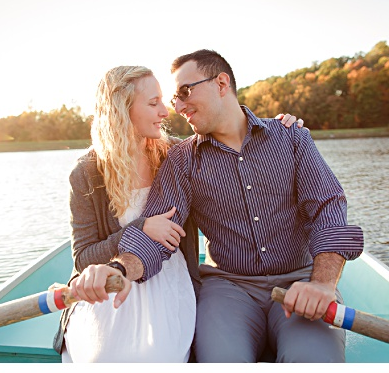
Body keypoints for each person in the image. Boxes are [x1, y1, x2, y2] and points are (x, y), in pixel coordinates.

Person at [95, 49, 365, 362]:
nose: (177, 107)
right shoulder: (182, 160)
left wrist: (321, 284)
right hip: (228, 290)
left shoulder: (292, 138)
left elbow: (328, 212)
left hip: (301, 281)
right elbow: (157, 234)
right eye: (174, 99)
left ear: (222, 83)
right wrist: (119, 268)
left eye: (185, 92)